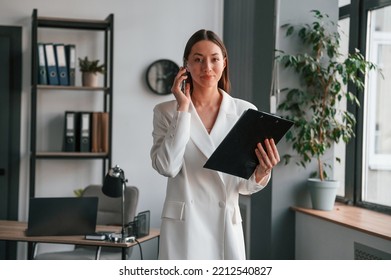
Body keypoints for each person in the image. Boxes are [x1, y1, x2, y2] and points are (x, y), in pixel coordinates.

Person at [150, 29, 280, 260]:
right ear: (186, 65)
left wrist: (262, 171)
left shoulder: (244, 112)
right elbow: (167, 167)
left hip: (225, 225)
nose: (206, 67)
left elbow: (244, 187)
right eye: (198, 60)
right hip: (184, 227)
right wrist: (182, 109)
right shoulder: (165, 112)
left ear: (224, 63)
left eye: (214, 59)